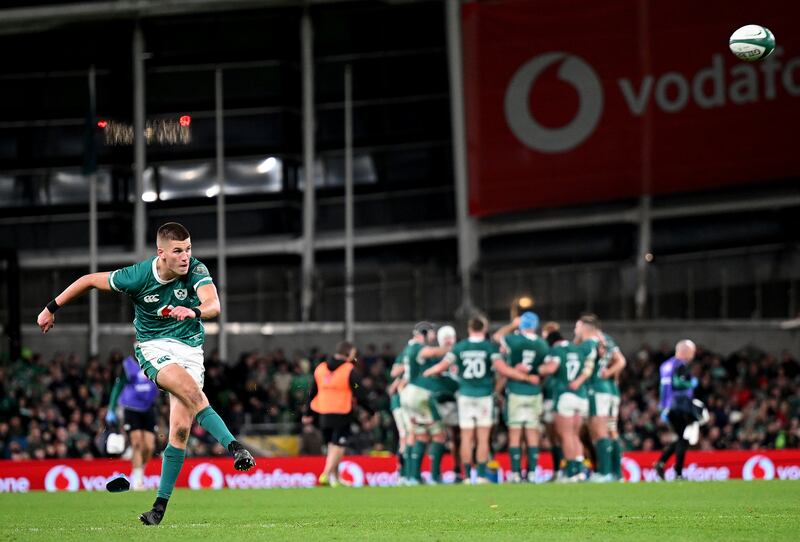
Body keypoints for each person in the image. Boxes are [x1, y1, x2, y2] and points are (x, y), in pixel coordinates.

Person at [36, 222, 255, 525]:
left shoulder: (196, 270)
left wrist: (194, 311)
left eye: (188, 249)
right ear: (161, 253)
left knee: (179, 431)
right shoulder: (138, 276)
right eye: (178, 251)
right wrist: (51, 308)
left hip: (191, 350)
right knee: (193, 394)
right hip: (154, 348)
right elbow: (87, 280)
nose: (185, 257)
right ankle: (236, 447)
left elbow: (213, 305)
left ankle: (158, 509)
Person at [424, 316, 539, 484]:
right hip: (484, 396)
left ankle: (467, 476)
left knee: (466, 437)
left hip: (465, 396)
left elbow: (442, 366)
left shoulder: (459, 347)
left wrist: (426, 373)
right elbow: (503, 370)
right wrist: (526, 377)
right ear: (484, 329)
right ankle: (482, 475)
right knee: (483, 438)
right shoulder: (489, 347)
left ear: (469, 329)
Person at [306, 341, 376, 487]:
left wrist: (307, 413)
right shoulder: (348, 369)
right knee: (339, 444)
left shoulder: (321, 368)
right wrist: (371, 411)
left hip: (323, 412)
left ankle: (336, 478)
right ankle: (325, 474)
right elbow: (360, 393)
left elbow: (312, 391)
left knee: (332, 445)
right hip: (342, 411)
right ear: (349, 353)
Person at [492, 312, 550, 483]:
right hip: (534, 391)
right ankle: (532, 472)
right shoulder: (542, 343)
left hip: (516, 391)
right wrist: (535, 374)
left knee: (515, 434)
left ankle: (516, 473)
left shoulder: (513, 339)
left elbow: (497, 336)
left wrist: (512, 324)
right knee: (532, 433)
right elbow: (546, 368)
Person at [538, 325, 596, 482]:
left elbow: (551, 368)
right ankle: (580, 470)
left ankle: (570, 471)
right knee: (576, 435)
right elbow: (587, 370)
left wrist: (538, 369)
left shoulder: (556, 350)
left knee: (566, 435)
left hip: (565, 396)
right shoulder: (577, 349)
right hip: (581, 396)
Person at [397, 322, 452, 485]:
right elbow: (433, 351)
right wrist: (452, 348)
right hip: (419, 393)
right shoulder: (417, 347)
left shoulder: (408, 349)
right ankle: (435, 476)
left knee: (419, 434)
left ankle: (412, 477)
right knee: (439, 434)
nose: (433, 337)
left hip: (408, 394)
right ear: (424, 333)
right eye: (431, 333)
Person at [106, 353, 159, 491]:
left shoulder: (156, 361)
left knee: (149, 446)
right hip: (131, 408)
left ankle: (139, 469)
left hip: (148, 408)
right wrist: (111, 408)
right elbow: (118, 386)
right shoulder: (128, 366)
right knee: (136, 443)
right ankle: (137, 479)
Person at [654, 340, 698, 481]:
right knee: (683, 438)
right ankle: (677, 472)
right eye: (692, 352)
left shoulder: (665, 365)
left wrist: (662, 407)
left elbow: (663, 387)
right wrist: (691, 383)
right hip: (679, 406)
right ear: (684, 351)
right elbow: (677, 383)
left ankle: (661, 463)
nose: (693, 355)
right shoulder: (680, 365)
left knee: (681, 437)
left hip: (668, 406)